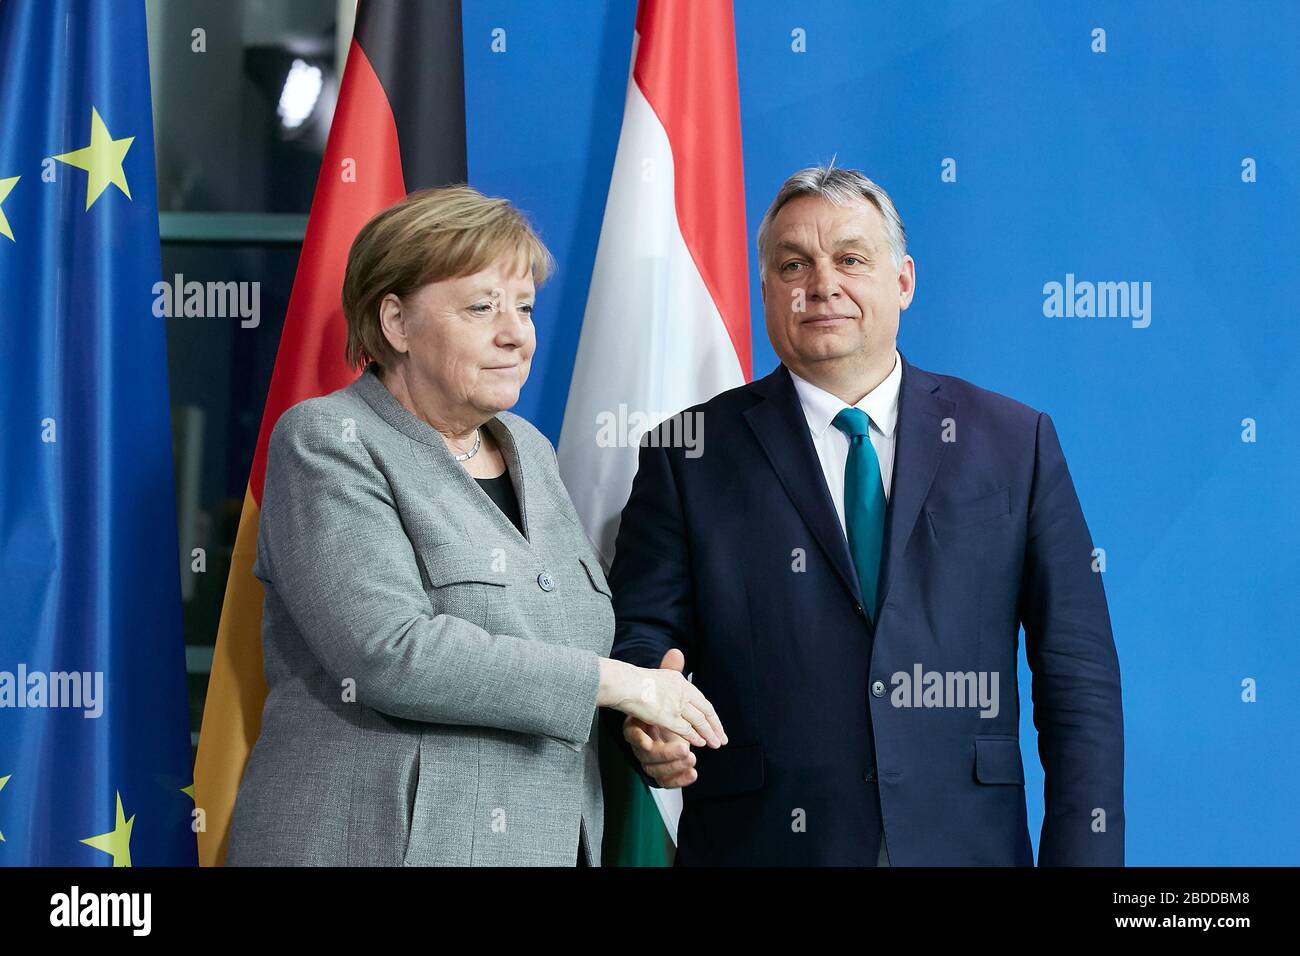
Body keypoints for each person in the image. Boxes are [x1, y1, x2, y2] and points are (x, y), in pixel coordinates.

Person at [610, 164, 1123, 866]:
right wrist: (646, 707)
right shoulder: (688, 452)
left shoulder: (1014, 442)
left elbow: (1078, 679)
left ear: (903, 280)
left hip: (965, 847)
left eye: (851, 259)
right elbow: (642, 635)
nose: (822, 284)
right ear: (765, 291)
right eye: (793, 265)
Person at [226, 185, 724, 866]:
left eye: (523, 307)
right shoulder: (328, 440)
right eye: (481, 307)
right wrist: (620, 682)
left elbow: (558, 651)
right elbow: (390, 653)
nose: (515, 332)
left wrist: (638, 727)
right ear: (396, 323)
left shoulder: (530, 451)